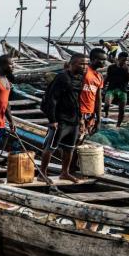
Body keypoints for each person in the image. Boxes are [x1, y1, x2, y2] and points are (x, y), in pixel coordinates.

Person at [39, 53, 87, 183]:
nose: (84, 66)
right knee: (51, 147)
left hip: (74, 119)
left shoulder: (81, 78)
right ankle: (42, 173)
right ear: (72, 64)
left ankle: (64, 172)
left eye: (86, 64)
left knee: (70, 148)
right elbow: (52, 99)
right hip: (61, 120)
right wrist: (52, 120)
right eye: (81, 64)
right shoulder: (62, 77)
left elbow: (79, 100)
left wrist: (81, 118)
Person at [79, 48, 107, 138]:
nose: (104, 62)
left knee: (84, 136)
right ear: (94, 59)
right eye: (102, 60)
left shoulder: (99, 77)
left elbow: (98, 99)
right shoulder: (84, 71)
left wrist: (98, 119)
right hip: (80, 111)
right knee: (77, 136)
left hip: (90, 113)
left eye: (105, 60)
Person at [104, 52, 129, 124]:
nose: (125, 62)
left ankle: (118, 124)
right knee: (107, 104)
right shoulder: (111, 67)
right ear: (118, 59)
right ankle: (106, 114)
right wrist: (102, 86)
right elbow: (107, 78)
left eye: (126, 60)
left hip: (123, 90)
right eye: (123, 60)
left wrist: (127, 71)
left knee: (122, 110)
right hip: (111, 89)